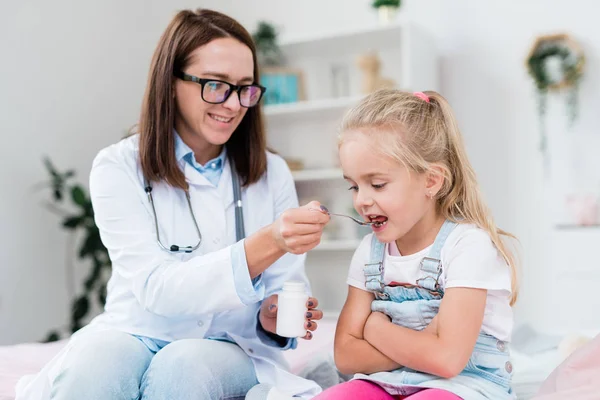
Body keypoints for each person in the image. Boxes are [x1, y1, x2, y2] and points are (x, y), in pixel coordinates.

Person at [16, 8, 330, 400]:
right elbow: (155, 287)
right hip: (135, 330)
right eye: (216, 85)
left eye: (245, 88)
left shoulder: (272, 172)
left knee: (183, 367)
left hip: (228, 344)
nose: (233, 104)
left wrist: (273, 315)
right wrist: (269, 241)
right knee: (93, 366)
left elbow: (286, 286)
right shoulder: (117, 166)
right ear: (170, 83)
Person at [314, 89, 518, 400]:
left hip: (464, 386)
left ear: (431, 181)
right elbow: (345, 355)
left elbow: (447, 360)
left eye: (378, 184)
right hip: (384, 382)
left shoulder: (468, 246)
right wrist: (424, 343)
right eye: (354, 186)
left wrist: (375, 330)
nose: (361, 200)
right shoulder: (369, 252)